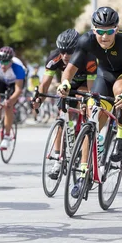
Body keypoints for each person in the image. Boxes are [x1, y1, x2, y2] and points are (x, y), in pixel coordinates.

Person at [57, 6, 122, 197]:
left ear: (116, 30)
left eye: (109, 31)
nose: (104, 36)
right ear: (93, 30)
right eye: (100, 32)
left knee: (120, 92)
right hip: (103, 76)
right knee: (93, 120)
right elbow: (69, 70)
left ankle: (121, 135)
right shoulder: (86, 40)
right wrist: (64, 84)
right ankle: (84, 172)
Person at [33, 29, 97, 179]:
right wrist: (39, 101)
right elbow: (44, 84)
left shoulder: (89, 57)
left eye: (70, 52)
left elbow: (91, 88)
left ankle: (85, 144)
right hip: (66, 85)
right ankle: (57, 160)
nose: (65, 56)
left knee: (88, 109)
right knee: (60, 117)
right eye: (62, 52)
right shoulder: (54, 57)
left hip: (84, 85)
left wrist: (88, 102)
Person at [0, 46, 26, 150]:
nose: (3, 66)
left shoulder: (18, 68)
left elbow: (18, 90)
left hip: (14, 84)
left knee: (8, 105)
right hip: (2, 81)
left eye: (6, 63)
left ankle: (7, 136)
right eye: (1, 63)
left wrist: (10, 100)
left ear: (11, 61)